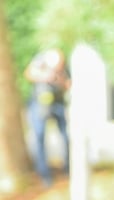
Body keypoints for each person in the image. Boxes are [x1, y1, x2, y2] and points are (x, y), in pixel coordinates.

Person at [24, 48, 71, 187]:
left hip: (58, 103)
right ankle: (44, 175)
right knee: (39, 137)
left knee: (65, 137)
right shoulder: (40, 61)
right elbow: (28, 73)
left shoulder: (64, 67)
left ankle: (68, 169)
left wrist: (59, 80)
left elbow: (69, 84)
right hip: (40, 103)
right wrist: (45, 76)